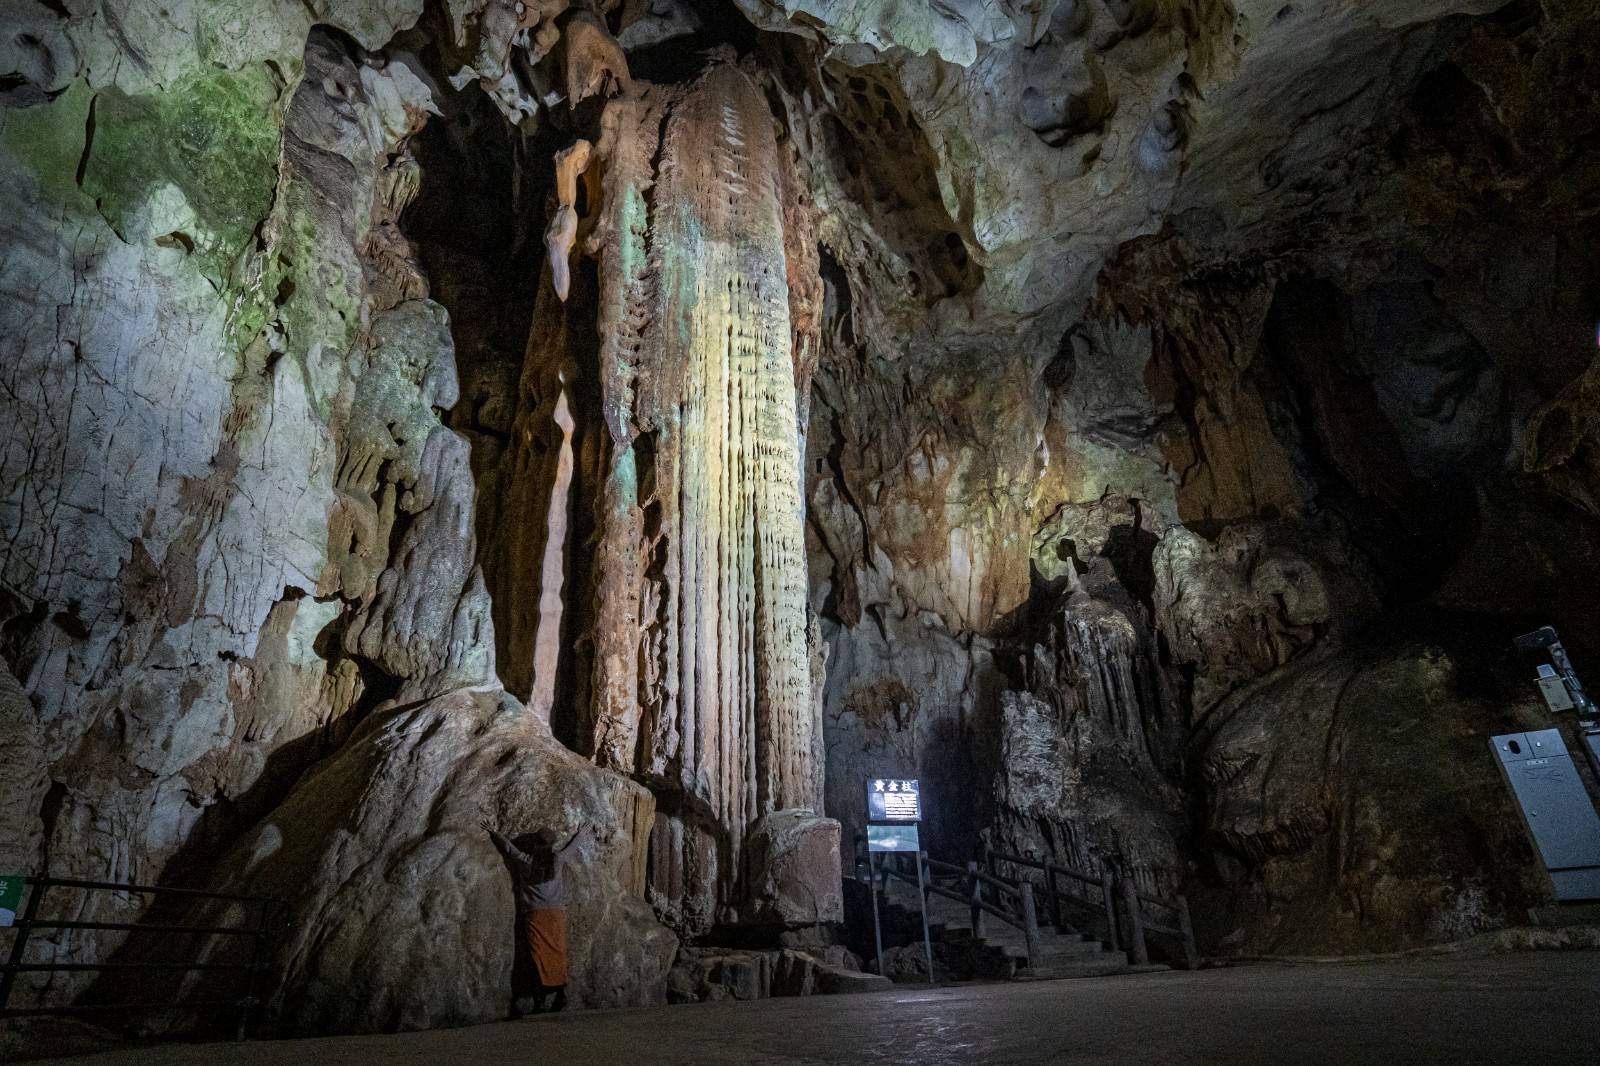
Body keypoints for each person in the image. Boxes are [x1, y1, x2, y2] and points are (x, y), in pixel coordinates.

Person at [482, 820, 584, 1014]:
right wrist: (581, 832)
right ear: (552, 844)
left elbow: (509, 849)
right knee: (558, 953)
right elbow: (573, 847)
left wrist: (494, 832)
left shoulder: (526, 861)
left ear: (536, 844)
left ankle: (540, 1001)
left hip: (535, 914)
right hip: (555, 914)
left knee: (537, 957)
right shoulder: (557, 860)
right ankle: (561, 993)